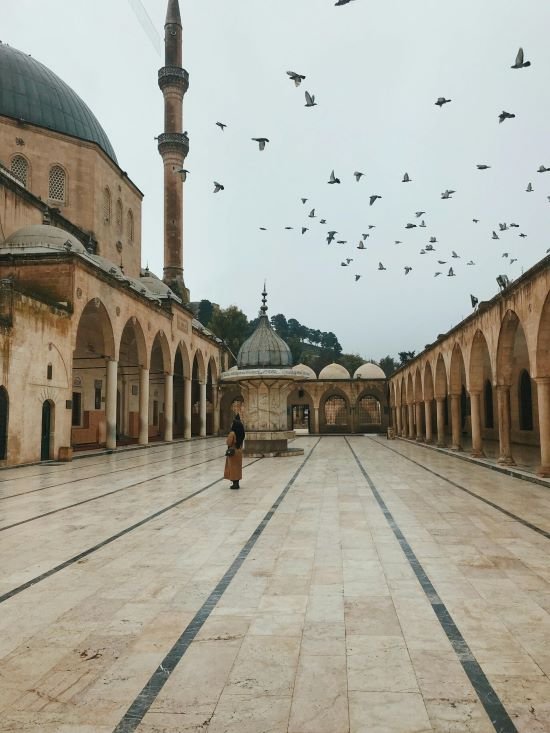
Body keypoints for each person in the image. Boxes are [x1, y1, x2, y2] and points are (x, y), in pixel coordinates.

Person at [224, 414, 245, 490]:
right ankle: (237, 483)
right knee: (237, 468)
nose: (231, 424)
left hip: (233, 452)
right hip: (239, 451)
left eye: (232, 423)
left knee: (233, 468)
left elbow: (228, 442)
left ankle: (234, 484)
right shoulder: (241, 433)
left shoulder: (232, 433)